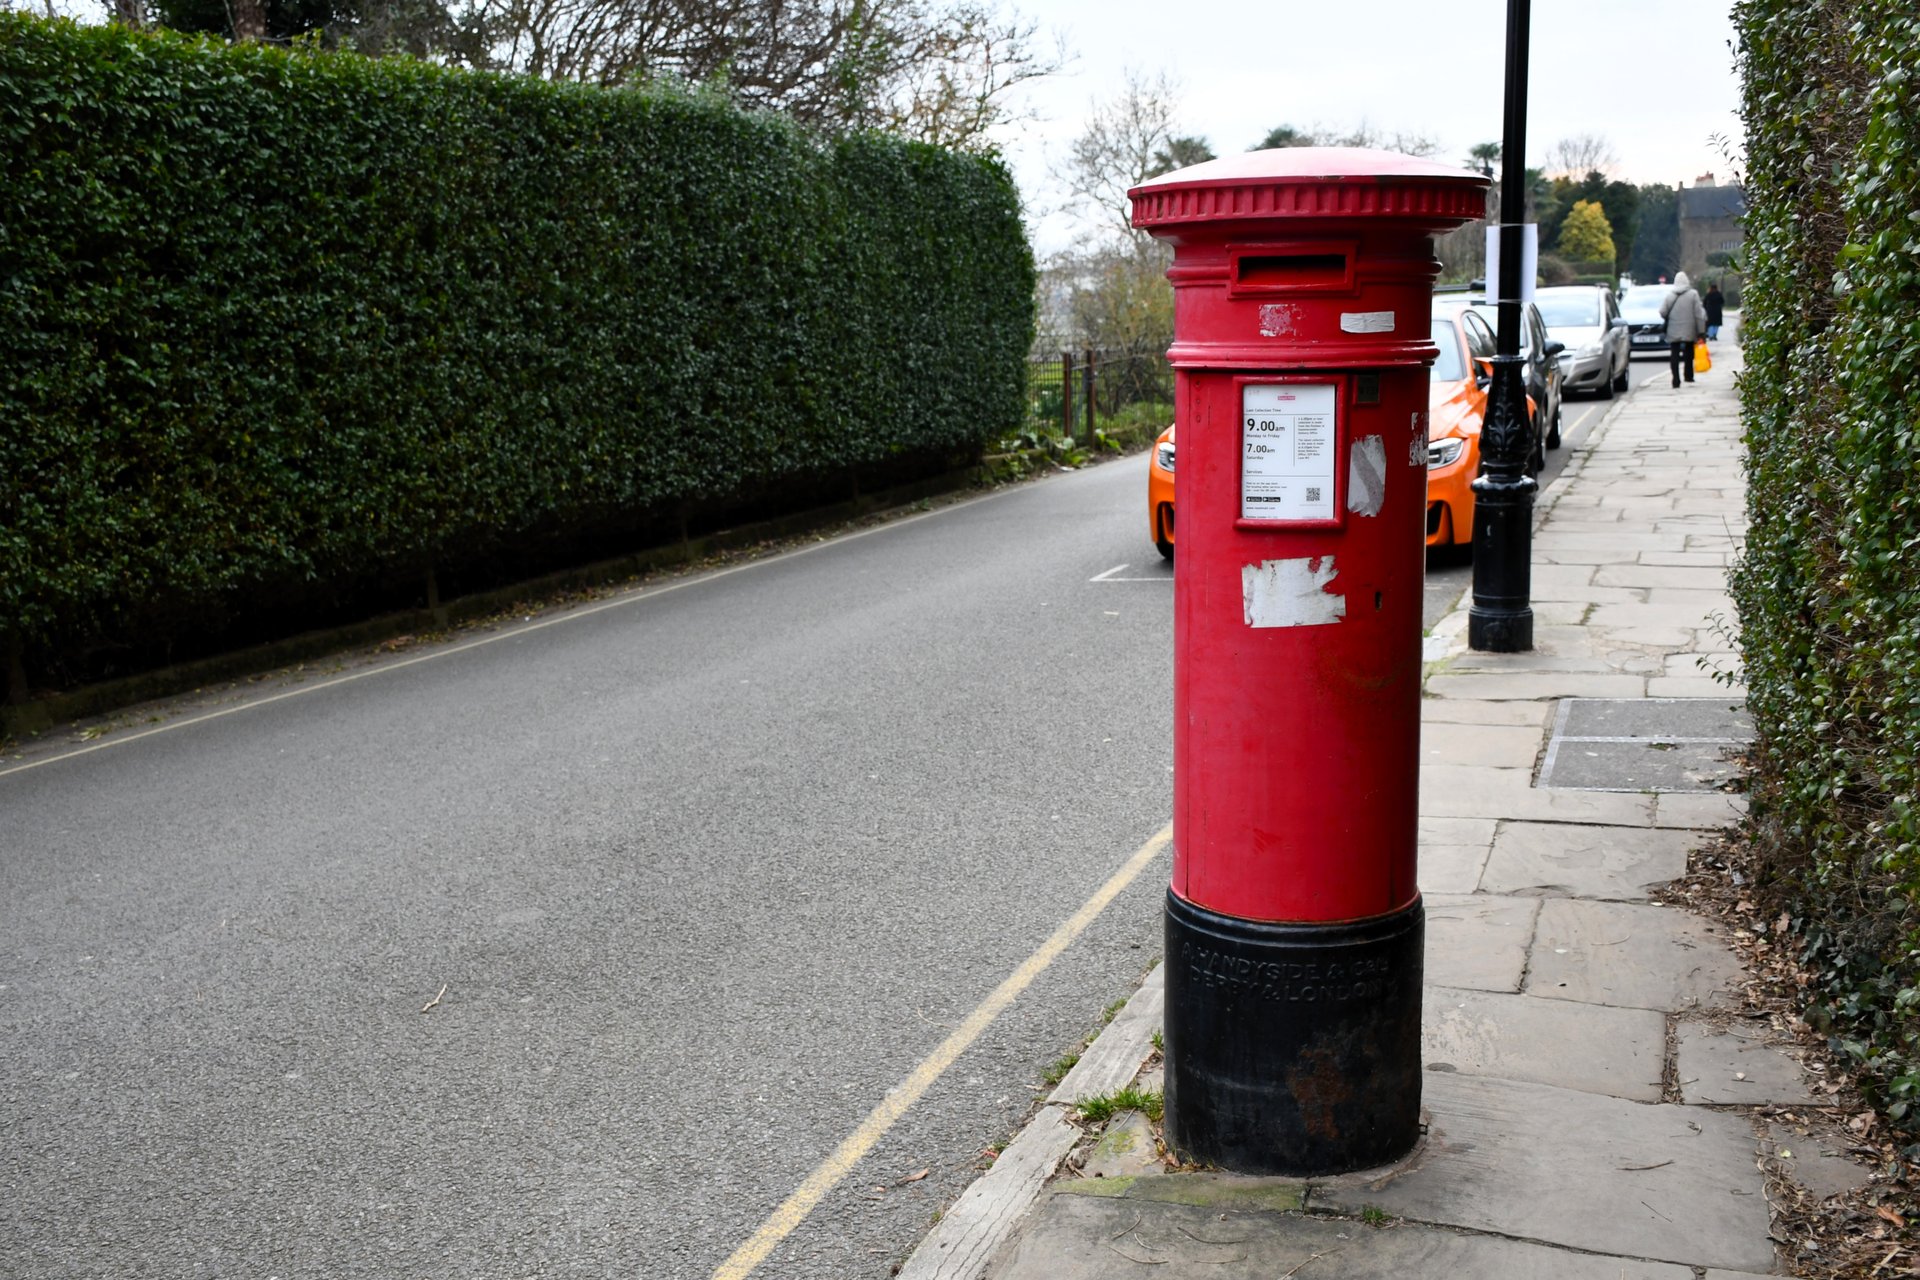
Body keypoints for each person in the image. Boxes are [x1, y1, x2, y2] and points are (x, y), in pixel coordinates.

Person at [1660, 271, 1707, 387]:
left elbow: (1662, 312)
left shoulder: (1670, 296)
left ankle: (1675, 379)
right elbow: (1698, 314)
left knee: (1674, 353)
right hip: (1689, 328)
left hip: (1673, 329)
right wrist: (1701, 331)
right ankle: (1688, 375)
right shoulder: (1693, 294)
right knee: (1689, 352)